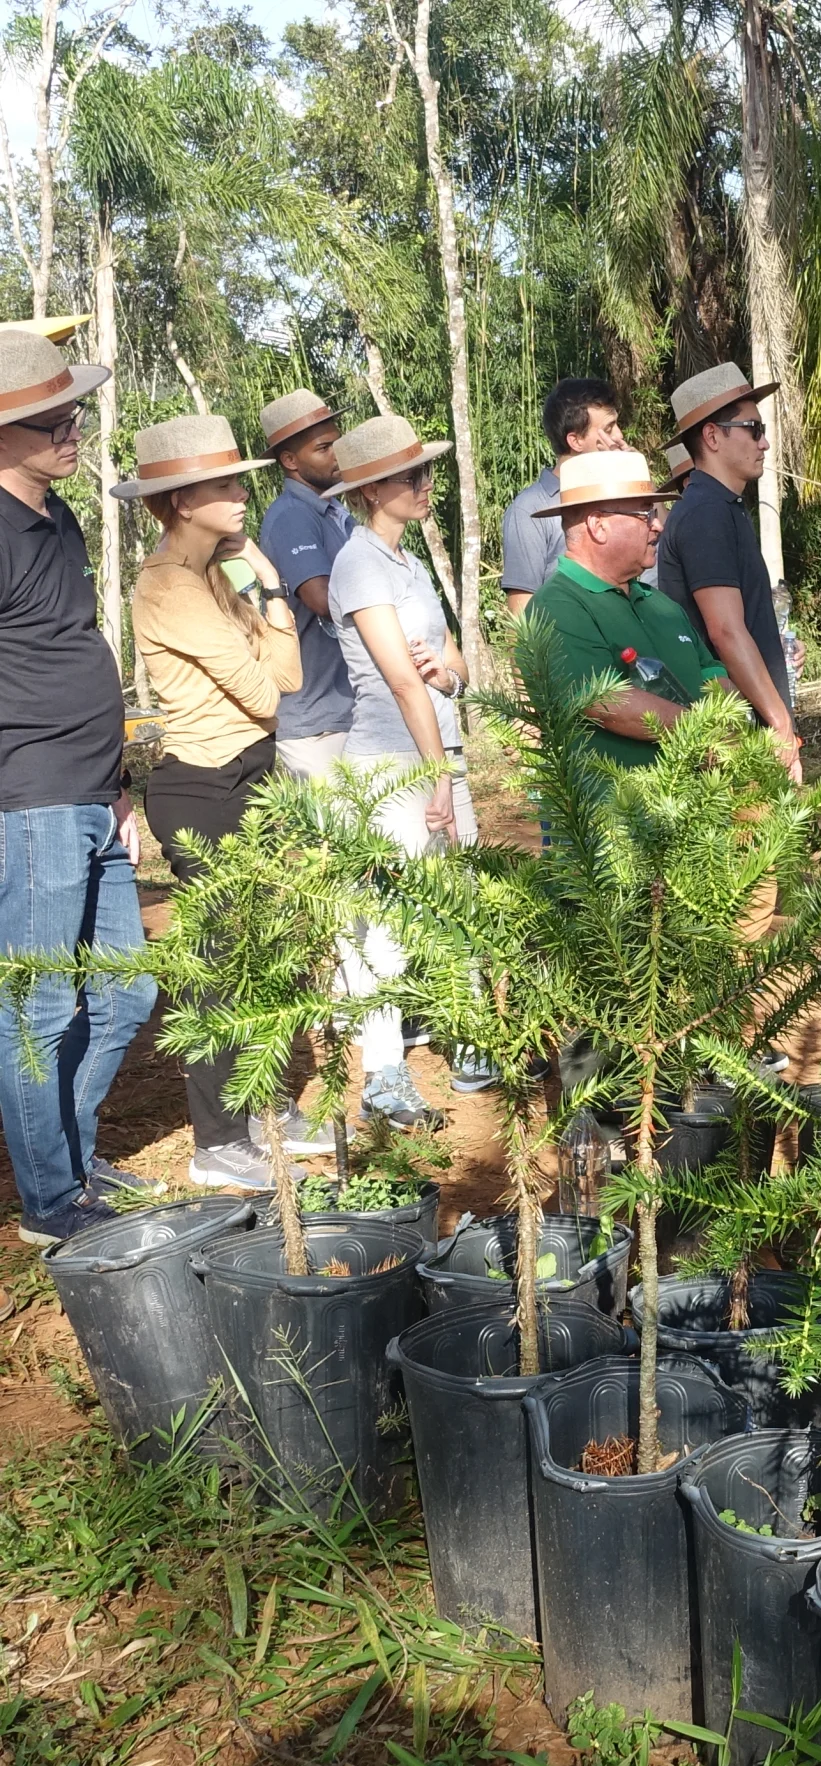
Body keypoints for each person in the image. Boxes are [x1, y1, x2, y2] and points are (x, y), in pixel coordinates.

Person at [120, 416, 337, 1190]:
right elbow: (262, 691)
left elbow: (287, 674)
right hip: (205, 788)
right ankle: (217, 1141)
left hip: (251, 776)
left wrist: (271, 584)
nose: (241, 496)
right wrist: (266, 636)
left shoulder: (215, 576)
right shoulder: (166, 585)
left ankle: (267, 1108)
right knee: (218, 969)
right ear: (179, 502)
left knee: (270, 954)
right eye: (222, 486)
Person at [0, 332, 157, 1245]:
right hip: (27, 801)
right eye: (47, 420)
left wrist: (118, 786)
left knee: (129, 993)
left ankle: (70, 1155)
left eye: (72, 411)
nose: (72, 428)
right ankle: (50, 1203)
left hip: (95, 794)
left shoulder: (59, 519)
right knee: (38, 1005)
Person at [324, 414, 480, 1127]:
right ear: (369, 489)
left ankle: (472, 1040)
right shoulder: (358, 561)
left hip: (436, 750)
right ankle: (383, 1075)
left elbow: (450, 665)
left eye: (425, 471)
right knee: (384, 922)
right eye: (410, 475)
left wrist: (447, 674)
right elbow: (400, 681)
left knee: (458, 905)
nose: (424, 484)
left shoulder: (410, 564)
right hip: (393, 765)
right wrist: (435, 773)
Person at [521, 449, 726, 767]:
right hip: (619, 810)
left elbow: (710, 670)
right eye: (645, 514)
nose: (657, 526)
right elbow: (606, 703)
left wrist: (735, 724)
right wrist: (702, 731)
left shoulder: (660, 604)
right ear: (597, 525)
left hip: (696, 805)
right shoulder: (555, 608)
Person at [654, 362, 802, 777]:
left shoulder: (720, 506)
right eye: (753, 428)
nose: (765, 443)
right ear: (713, 435)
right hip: (736, 730)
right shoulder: (706, 513)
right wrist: (779, 722)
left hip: (746, 721)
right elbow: (725, 629)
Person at [254, 387, 357, 780]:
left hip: (342, 707)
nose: (338, 454)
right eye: (324, 448)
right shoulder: (292, 516)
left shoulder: (335, 511)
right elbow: (320, 597)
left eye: (338, 443)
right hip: (316, 718)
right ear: (290, 460)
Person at [500, 378, 628, 616]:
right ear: (575, 440)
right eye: (609, 429)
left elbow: (662, 545)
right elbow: (522, 615)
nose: (620, 436)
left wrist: (636, 476)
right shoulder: (530, 510)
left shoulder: (616, 494)